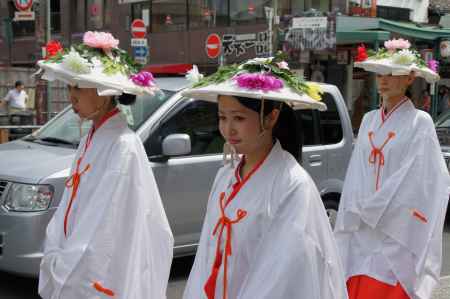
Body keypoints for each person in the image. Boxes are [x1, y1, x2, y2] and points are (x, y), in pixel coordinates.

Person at [182, 56, 348, 299]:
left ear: (270, 117)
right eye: (222, 117)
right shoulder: (225, 175)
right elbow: (206, 255)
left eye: (238, 118)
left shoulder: (292, 184)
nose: (228, 130)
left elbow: (284, 273)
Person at [36, 33, 174, 299]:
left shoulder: (123, 145)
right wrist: (56, 247)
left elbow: (105, 222)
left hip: (95, 264)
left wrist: (66, 262)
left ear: (104, 92)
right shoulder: (91, 137)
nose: (71, 97)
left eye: (79, 88)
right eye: (70, 88)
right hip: (71, 250)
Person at [335, 38, 450, 299]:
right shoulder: (368, 120)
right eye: (380, 74)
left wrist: (378, 207)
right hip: (363, 225)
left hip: (396, 228)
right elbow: (356, 172)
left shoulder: (420, 122)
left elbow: (423, 177)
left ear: (409, 78)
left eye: (391, 74)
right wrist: (357, 206)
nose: (383, 80)